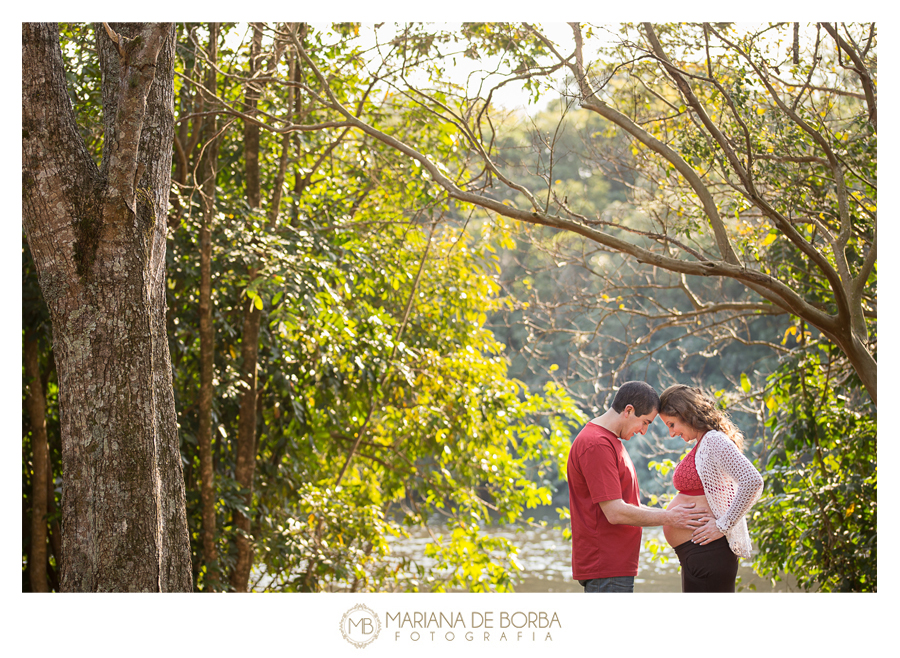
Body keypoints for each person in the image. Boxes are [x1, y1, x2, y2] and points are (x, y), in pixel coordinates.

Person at [567, 381, 709, 593]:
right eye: (645, 422)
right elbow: (615, 512)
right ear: (629, 410)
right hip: (606, 566)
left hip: (615, 565)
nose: (643, 431)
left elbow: (628, 505)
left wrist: (674, 514)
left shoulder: (610, 441)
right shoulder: (596, 444)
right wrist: (671, 518)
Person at [658, 384, 764, 593]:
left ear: (684, 413)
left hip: (709, 553)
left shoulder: (713, 440)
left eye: (671, 424)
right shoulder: (704, 443)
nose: (671, 433)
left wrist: (722, 526)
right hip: (699, 554)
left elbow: (752, 481)